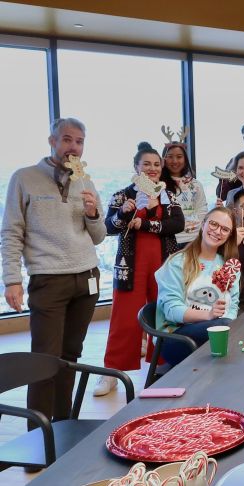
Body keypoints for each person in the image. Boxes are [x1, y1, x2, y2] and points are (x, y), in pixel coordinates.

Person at [2, 118, 105, 431]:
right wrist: (12, 279)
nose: (72, 147)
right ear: (52, 141)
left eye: (79, 142)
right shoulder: (25, 178)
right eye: (67, 140)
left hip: (87, 276)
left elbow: (99, 235)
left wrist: (93, 214)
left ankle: (63, 426)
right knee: (45, 357)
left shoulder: (86, 183)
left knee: (71, 354)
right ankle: (39, 435)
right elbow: (11, 231)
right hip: (48, 278)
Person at [95, 142, 184, 396]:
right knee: (123, 317)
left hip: (164, 262)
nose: (153, 168)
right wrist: (123, 214)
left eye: (157, 164)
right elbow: (109, 227)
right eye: (147, 164)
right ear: (136, 167)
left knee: (165, 312)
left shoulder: (168, 194)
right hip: (130, 264)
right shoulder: (123, 195)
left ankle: (165, 365)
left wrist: (143, 224)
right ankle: (112, 372)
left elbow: (177, 223)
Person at [155, 207, 241, 366]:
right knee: (225, 328)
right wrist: (209, 315)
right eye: (214, 224)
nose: (217, 231)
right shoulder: (178, 262)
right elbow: (171, 310)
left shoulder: (228, 266)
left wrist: (228, 325)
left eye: (225, 229)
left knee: (237, 334)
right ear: (203, 224)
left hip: (216, 329)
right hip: (176, 337)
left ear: (230, 235)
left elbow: (233, 305)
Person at [161, 139, 207, 248]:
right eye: (170, 156)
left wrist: (189, 228)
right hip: (166, 238)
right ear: (163, 159)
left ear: (185, 159)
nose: (175, 161)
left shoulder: (195, 184)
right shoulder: (158, 185)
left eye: (179, 156)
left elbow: (202, 210)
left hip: (191, 239)